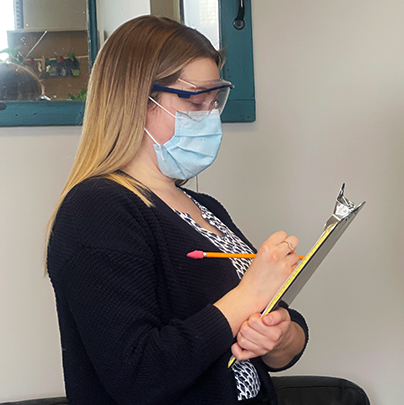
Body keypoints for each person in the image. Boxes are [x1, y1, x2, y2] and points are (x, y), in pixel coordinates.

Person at [46, 16, 308, 405]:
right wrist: (249, 295)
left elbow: (282, 329)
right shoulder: (96, 209)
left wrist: (281, 336)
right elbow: (138, 373)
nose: (210, 116)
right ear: (136, 100)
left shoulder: (205, 207)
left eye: (214, 101)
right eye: (194, 101)